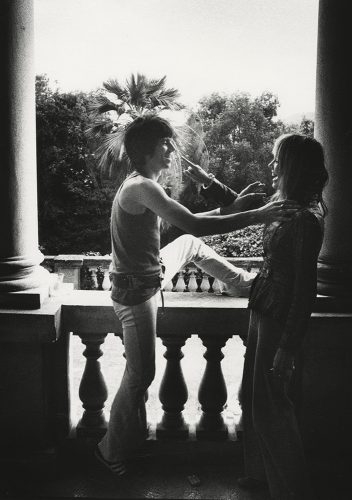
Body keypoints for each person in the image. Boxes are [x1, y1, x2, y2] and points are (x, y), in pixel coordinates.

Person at [95, 115, 299, 476]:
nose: (172, 150)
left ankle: (243, 283)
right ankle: (110, 450)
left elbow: (187, 225)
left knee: (190, 245)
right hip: (136, 293)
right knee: (140, 374)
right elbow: (196, 223)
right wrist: (256, 215)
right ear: (147, 150)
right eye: (165, 144)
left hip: (150, 272)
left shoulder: (142, 186)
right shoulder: (141, 187)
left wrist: (231, 209)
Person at [188, 134, 328, 499]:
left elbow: (305, 290)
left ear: (293, 166)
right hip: (263, 305)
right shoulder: (285, 205)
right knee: (253, 396)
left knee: (272, 404)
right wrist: (208, 182)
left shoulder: (305, 220)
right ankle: (261, 473)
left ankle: (291, 489)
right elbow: (243, 204)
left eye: (276, 160)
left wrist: (287, 349)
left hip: (279, 316)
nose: (271, 166)